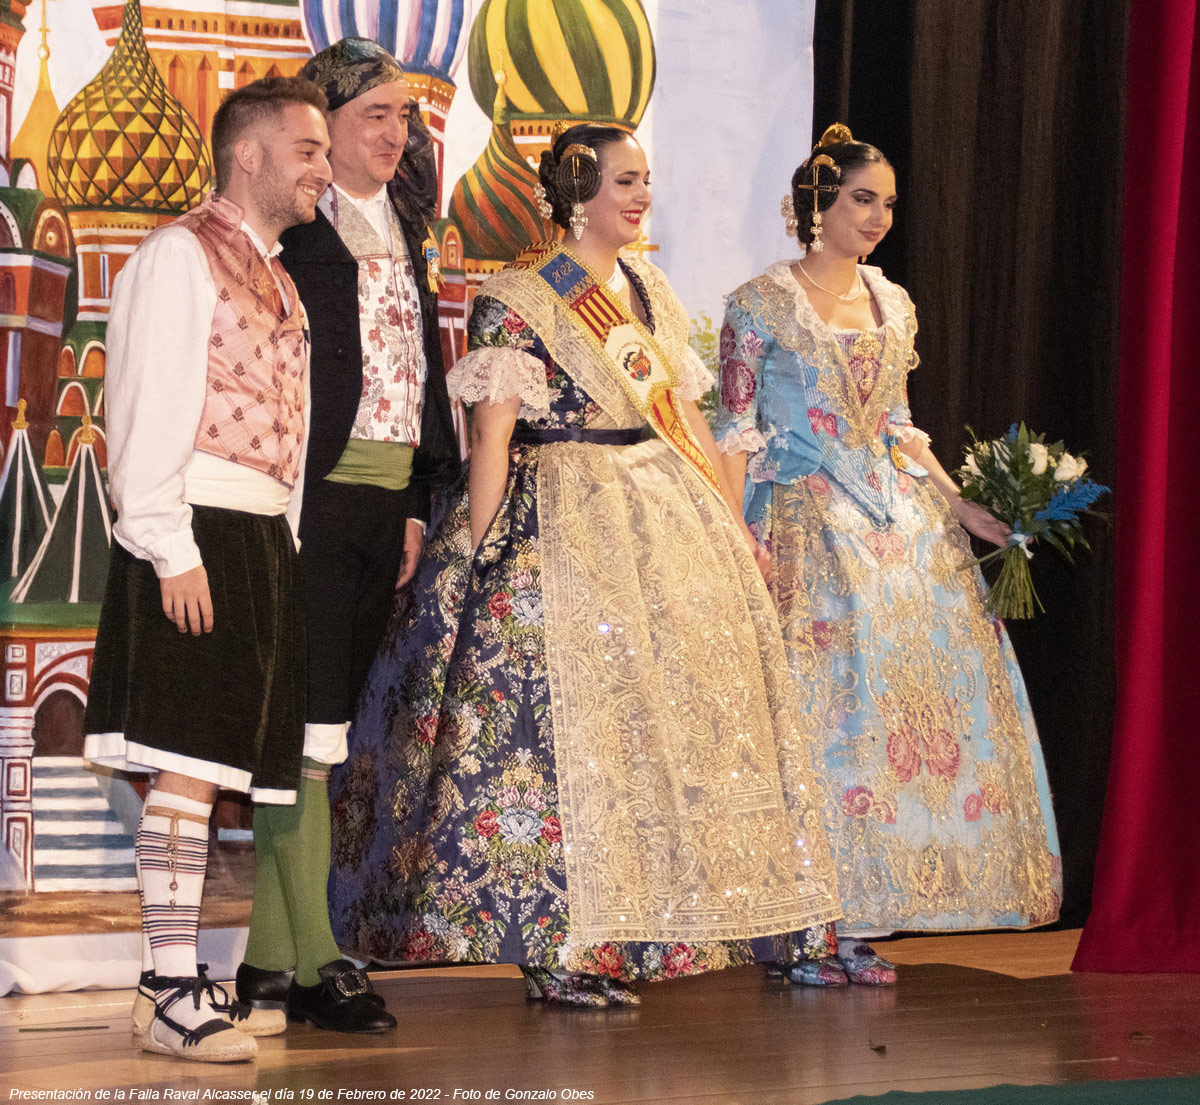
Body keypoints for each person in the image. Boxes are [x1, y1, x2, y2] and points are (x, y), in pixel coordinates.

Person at [326, 124, 841, 1006]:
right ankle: (558, 945)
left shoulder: (650, 288)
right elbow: (491, 435)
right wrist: (480, 547)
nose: (641, 197)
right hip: (560, 516)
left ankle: (643, 926)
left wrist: (733, 523)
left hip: (661, 508)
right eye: (624, 182)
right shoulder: (518, 297)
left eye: (645, 180)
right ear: (576, 190)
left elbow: (684, 413)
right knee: (556, 738)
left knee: (654, 733)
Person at [714, 124, 1062, 986]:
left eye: (888, 204)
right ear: (818, 203)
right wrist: (737, 534)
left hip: (897, 524)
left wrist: (959, 503)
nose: (877, 217)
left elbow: (899, 424)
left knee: (890, 722)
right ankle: (803, 926)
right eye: (862, 199)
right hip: (803, 518)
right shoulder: (759, 303)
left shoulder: (894, 302)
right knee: (824, 718)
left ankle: (861, 919)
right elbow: (735, 429)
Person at [82, 77, 331, 1061]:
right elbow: (143, 402)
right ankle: (172, 985)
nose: (322, 169)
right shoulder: (180, 254)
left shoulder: (279, 278)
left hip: (255, 538)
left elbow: (290, 435)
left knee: (217, 768)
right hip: (195, 531)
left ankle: (170, 984)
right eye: (308, 149)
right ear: (249, 155)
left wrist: (285, 546)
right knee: (187, 769)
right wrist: (170, 543)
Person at [230, 37, 459, 1036]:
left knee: (323, 728)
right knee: (307, 726)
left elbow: (420, 365)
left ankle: (266, 961)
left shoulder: (406, 224)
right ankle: (320, 960)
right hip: (309, 498)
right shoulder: (295, 228)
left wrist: (413, 498)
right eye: (375, 115)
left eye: (404, 117)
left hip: (381, 501)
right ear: (322, 123)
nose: (394, 133)